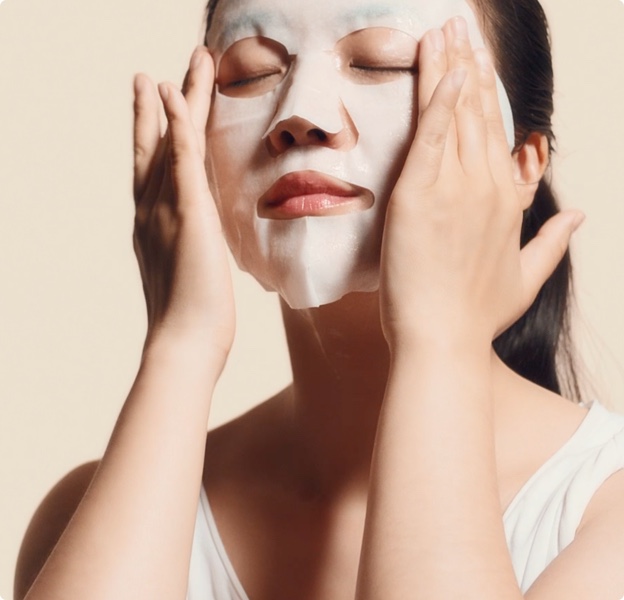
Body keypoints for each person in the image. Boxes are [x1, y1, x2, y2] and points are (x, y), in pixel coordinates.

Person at [13, 0, 624, 598]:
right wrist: (182, 343)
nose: (299, 115)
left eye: (381, 62)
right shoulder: (90, 518)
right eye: (250, 73)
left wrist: (439, 341)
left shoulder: (605, 511)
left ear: (521, 162)